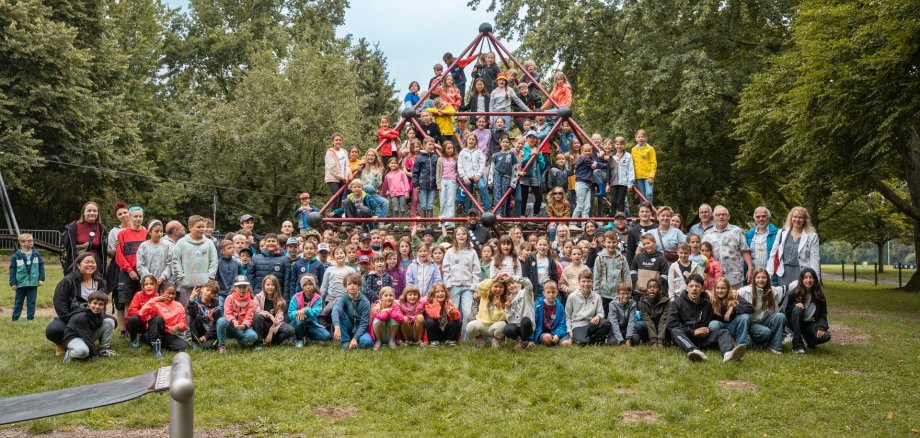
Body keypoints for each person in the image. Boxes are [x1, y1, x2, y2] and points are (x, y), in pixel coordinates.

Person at [45, 252, 115, 356]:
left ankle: (102, 346)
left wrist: (99, 317)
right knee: (54, 330)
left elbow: (103, 302)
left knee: (111, 321)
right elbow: (59, 302)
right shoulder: (67, 281)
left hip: (93, 315)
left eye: (93, 262)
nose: (90, 264)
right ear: (78, 265)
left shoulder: (100, 282)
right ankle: (62, 344)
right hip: (70, 316)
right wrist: (73, 320)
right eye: (87, 262)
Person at [667, 274, 747, 363]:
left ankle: (728, 354)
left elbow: (719, 318)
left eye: (697, 286)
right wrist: (693, 332)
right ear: (686, 288)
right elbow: (671, 324)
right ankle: (694, 351)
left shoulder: (709, 302)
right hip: (687, 337)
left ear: (702, 289)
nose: (694, 289)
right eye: (691, 286)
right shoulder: (677, 303)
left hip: (704, 338)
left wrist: (733, 307)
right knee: (675, 330)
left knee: (723, 332)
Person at [737, 268, 794, 354]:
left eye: (764, 277)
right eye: (758, 277)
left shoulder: (773, 290)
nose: (761, 280)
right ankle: (753, 341)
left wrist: (804, 279)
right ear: (754, 279)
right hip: (752, 325)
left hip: (766, 321)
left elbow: (790, 287)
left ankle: (775, 347)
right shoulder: (744, 291)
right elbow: (730, 294)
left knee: (780, 316)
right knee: (765, 332)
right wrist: (733, 292)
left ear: (768, 279)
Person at [768, 206, 821, 287]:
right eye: (795, 217)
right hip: (783, 273)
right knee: (784, 294)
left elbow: (815, 259)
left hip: (802, 273)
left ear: (805, 220)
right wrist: (769, 272)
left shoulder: (812, 236)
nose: (797, 220)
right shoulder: (781, 233)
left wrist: (816, 279)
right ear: (791, 218)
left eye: (800, 217)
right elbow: (773, 253)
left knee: (800, 294)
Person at [703, 206, 754, 289]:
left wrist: (750, 268)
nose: (721, 217)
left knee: (736, 297)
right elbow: (703, 254)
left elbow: (745, 251)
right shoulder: (707, 234)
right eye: (718, 215)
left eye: (724, 214)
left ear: (728, 217)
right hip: (714, 277)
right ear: (714, 217)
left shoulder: (737, 231)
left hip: (735, 277)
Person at [173, 215, 218, 307]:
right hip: (186, 285)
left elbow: (214, 261)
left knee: (202, 309)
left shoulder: (209, 243)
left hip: (204, 285)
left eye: (203, 227)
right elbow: (176, 261)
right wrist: (181, 276)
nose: (202, 229)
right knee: (186, 308)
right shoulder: (181, 243)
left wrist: (210, 277)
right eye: (198, 227)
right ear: (190, 227)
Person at [114, 206, 147, 335]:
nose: (138, 219)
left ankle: (142, 329)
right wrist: (129, 270)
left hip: (143, 273)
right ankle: (129, 330)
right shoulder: (122, 233)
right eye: (135, 216)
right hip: (127, 272)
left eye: (140, 216)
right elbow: (119, 255)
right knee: (128, 301)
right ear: (130, 217)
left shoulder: (147, 233)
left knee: (143, 300)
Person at [785, 268, 831, 354]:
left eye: (811, 277)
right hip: (797, 323)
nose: (808, 280)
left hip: (811, 324)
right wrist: (795, 305)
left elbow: (823, 314)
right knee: (798, 310)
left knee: (826, 336)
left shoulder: (819, 295)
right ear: (801, 280)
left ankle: (808, 341)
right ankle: (797, 346)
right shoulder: (794, 293)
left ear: (815, 279)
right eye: (805, 277)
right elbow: (787, 313)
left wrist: (821, 327)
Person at [62, 291, 116, 362]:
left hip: (87, 335)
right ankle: (70, 353)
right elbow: (86, 337)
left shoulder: (99, 313)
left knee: (109, 321)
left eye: (101, 304)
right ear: (89, 303)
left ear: (104, 306)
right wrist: (94, 354)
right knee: (83, 352)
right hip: (73, 338)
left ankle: (104, 350)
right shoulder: (81, 317)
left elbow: (91, 333)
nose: (97, 306)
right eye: (94, 303)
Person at [138, 284, 189, 358]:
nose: (171, 296)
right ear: (161, 292)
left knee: (184, 347)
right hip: (154, 332)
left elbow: (183, 323)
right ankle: (156, 349)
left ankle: (159, 344)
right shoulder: (155, 303)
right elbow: (141, 313)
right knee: (158, 319)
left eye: (173, 293)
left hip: (168, 334)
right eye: (169, 293)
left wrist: (178, 326)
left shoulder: (179, 305)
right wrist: (155, 300)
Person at [566, 270, 611, 346]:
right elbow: (567, 316)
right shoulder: (572, 297)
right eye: (583, 281)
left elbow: (601, 313)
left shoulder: (597, 297)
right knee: (582, 343)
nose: (586, 284)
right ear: (579, 282)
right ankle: (586, 339)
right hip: (578, 325)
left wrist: (597, 316)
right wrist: (569, 330)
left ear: (592, 282)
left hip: (591, 323)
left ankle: (594, 340)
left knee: (606, 323)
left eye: (589, 281)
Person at [216, 275, 259, 354]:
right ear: (235, 288)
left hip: (243, 329)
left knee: (253, 336)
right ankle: (222, 346)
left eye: (244, 287)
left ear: (248, 287)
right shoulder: (229, 298)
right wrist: (233, 320)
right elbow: (227, 313)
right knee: (221, 321)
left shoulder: (251, 301)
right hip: (231, 327)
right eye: (239, 287)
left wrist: (244, 325)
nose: (242, 289)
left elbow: (249, 317)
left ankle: (240, 341)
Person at [61, 201, 108, 272]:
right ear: (83, 212)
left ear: (98, 213)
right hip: (77, 267)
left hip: (96, 268)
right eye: (89, 210)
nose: (92, 213)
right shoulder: (72, 228)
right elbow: (63, 251)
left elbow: (103, 253)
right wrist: (67, 269)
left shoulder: (102, 229)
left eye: (95, 211)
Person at [707, 277, 753, 347]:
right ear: (714, 289)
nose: (720, 290)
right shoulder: (711, 298)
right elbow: (700, 292)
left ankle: (742, 345)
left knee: (744, 316)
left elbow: (750, 308)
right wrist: (707, 291)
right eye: (717, 288)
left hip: (733, 326)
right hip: (720, 327)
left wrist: (733, 308)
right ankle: (725, 342)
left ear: (728, 289)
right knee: (713, 324)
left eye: (723, 288)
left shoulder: (734, 296)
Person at [332, 273, 373, 350]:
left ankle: (354, 341)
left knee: (367, 342)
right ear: (345, 287)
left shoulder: (365, 302)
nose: (352, 286)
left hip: (359, 328)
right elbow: (335, 310)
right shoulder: (343, 298)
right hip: (348, 327)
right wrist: (337, 327)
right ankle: (346, 341)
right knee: (339, 312)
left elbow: (364, 323)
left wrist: (355, 338)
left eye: (355, 284)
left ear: (359, 286)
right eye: (349, 284)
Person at [9, 233, 45, 321]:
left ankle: (30, 319)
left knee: (31, 302)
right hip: (20, 283)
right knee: (18, 302)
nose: (32, 242)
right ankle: (14, 319)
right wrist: (13, 283)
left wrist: (41, 278)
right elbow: (12, 270)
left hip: (33, 283)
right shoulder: (16, 256)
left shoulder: (36, 254)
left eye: (32, 240)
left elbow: (41, 266)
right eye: (29, 241)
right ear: (22, 243)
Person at [288, 274, 330, 348]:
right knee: (301, 318)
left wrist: (305, 310)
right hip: (297, 322)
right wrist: (298, 312)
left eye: (310, 284)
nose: (308, 286)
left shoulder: (318, 298)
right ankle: (299, 339)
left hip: (311, 324)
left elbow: (316, 312)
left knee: (326, 335)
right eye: (305, 285)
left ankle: (306, 336)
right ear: (302, 286)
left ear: (314, 285)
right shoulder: (296, 296)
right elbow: (290, 312)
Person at [594, 231, 630, 316]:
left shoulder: (622, 258)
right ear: (604, 242)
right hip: (604, 295)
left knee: (618, 318)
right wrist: (597, 295)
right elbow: (596, 278)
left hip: (619, 295)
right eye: (609, 242)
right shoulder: (600, 258)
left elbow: (627, 277)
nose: (611, 245)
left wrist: (627, 292)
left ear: (617, 242)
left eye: (613, 242)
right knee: (604, 318)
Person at [252, 275, 295, 348]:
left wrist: (271, 332)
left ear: (276, 286)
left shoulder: (280, 300)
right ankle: (258, 343)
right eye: (268, 285)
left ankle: (273, 342)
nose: (270, 287)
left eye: (273, 285)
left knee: (290, 330)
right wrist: (270, 315)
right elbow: (256, 311)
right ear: (264, 286)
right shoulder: (258, 297)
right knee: (257, 317)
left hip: (275, 325)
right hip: (262, 324)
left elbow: (279, 319)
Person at [467, 277, 509, 348]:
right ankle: (479, 340)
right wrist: (493, 280)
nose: (498, 289)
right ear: (491, 287)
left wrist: (499, 308)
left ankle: (496, 340)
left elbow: (501, 318)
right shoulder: (485, 295)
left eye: (501, 287)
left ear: (504, 289)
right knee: (470, 326)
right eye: (495, 286)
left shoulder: (504, 301)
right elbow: (480, 286)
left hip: (494, 326)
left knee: (503, 325)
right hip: (482, 324)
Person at [630, 234, 670, 301]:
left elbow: (665, 275)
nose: (646, 246)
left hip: (654, 294)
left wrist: (654, 287)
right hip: (638, 293)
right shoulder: (638, 257)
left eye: (648, 243)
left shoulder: (661, 258)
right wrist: (634, 285)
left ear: (654, 242)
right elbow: (633, 271)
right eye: (644, 244)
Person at [458, 133, 491, 212]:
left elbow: (482, 164)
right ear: (466, 141)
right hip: (467, 177)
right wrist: (464, 177)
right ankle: (468, 212)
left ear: (476, 142)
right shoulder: (462, 152)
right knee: (468, 194)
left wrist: (479, 174)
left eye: (473, 139)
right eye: (470, 139)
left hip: (477, 176)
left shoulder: (479, 152)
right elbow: (460, 166)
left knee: (482, 187)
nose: (471, 141)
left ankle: (488, 208)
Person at [572, 144, 607, 218]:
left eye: (589, 151)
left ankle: (584, 222)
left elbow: (594, 163)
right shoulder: (584, 159)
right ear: (582, 151)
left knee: (587, 206)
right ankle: (572, 222)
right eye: (585, 151)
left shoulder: (588, 159)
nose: (587, 153)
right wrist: (608, 165)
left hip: (588, 184)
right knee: (580, 205)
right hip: (581, 183)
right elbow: (597, 164)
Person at [531, 281, 570, 346]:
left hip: (556, 331)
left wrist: (557, 334)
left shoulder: (560, 307)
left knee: (566, 343)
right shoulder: (538, 305)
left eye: (553, 292)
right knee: (547, 338)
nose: (551, 294)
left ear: (557, 292)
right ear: (544, 293)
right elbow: (533, 323)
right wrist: (531, 339)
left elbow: (562, 324)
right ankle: (552, 341)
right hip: (543, 333)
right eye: (548, 292)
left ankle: (558, 340)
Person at [125, 275, 159, 348]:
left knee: (157, 319)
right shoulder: (138, 295)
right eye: (146, 284)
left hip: (149, 324)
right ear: (142, 287)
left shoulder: (157, 297)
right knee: (134, 318)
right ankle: (133, 340)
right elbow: (132, 309)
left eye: (151, 284)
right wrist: (143, 314)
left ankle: (146, 339)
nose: (149, 286)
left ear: (156, 286)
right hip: (138, 323)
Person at [136, 220, 172, 288]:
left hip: (163, 283)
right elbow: (140, 265)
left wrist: (162, 277)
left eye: (161, 231)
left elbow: (170, 264)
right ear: (150, 232)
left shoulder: (167, 246)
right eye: (156, 231)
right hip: (147, 283)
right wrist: (149, 277)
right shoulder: (143, 246)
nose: (159, 234)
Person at [503, 276, 536, 349]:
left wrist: (513, 278)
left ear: (518, 283)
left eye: (513, 283)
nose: (511, 286)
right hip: (517, 326)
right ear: (507, 289)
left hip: (528, 325)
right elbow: (510, 321)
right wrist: (509, 308)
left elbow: (528, 283)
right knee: (507, 329)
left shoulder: (525, 292)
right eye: (508, 285)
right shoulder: (509, 301)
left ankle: (524, 340)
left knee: (525, 320)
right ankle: (519, 340)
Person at [187, 281, 222, 349]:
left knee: (206, 347)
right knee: (194, 317)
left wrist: (207, 336)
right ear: (202, 289)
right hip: (200, 330)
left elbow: (216, 325)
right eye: (207, 290)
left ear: (214, 295)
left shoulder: (217, 307)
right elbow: (192, 314)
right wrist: (191, 299)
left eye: (212, 292)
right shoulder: (195, 302)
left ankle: (211, 342)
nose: (209, 293)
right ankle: (195, 342)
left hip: (212, 334)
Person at [745, 206, 780, 274]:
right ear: (754, 219)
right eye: (758, 217)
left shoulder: (778, 233)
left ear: (769, 217)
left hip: (771, 275)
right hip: (754, 275)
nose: (760, 219)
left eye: (763, 216)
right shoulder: (748, 235)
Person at [519, 131, 546, 217]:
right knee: (524, 197)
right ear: (526, 139)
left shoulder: (538, 150)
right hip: (525, 176)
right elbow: (522, 163)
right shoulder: (523, 149)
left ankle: (535, 215)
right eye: (530, 137)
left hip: (535, 176)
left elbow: (542, 166)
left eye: (534, 138)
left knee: (539, 197)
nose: (532, 139)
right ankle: (522, 215)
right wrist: (530, 155)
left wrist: (538, 156)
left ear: (536, 140)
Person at [491, 136, 520, 217]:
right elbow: (492, 168)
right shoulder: (496, 155)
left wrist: (513, 181)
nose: (505, 144)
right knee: (497, 195)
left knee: (504, 196)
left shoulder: (512, 154)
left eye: (507, 142)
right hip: (497, 176)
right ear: (500, 143)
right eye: (503, 142)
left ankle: (503, 215)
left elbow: (515, 168)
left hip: (506, 177)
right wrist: (490, 181)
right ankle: (498, 213)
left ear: (509, 144)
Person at [606, 136, 635, 215]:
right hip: (613, 182)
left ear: (624, 145)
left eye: (621, 144)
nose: (619, 146)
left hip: (623, 183)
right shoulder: (611, 156)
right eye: (617, 144)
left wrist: (630, 183)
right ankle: (612, 220)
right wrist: (607, 184)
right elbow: (608, 171)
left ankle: (621, 219)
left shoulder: (628, 156)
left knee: (621, 201)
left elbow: (631, 170)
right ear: (614, 145)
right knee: (613, 201)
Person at [607, 282, 642, 347]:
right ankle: (619, 340)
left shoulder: (633, 303)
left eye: (627, 293)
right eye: (623, 293)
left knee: (636, 339)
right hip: (616, 329)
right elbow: (614, 323)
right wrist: (621, 341)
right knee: (612, 342)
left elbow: (632, 321)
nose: (626, 296)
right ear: (618, 294)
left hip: (627, 329)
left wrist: (629, 338)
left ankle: (627, 339)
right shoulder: (612, 304)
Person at [412, 137, 439, 218]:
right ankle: (423, 223)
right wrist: (416, 184)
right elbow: (415, 172)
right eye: (429, 144)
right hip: (422, 185)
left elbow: (437, 171)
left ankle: (430, 223)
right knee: (423, 205)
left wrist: (437, 183)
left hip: (433, 185)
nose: (431, 146)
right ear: (424, 145)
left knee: (430, 205)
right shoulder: (419, 158)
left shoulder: (435, 157)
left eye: (433, 145)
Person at [638, 278, 669, 348]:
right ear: (647, 290)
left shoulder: (667, 301)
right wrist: (653, 341)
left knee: (669, 323)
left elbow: (663, 320)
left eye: (655, 287)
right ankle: (647, 340)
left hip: (661, 325)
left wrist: (660, 341)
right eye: (649, 287)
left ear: (660, 290)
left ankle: (666, 340)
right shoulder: (641, 302)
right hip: (649, 326)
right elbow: (647, 320)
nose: (652, 289)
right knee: (640, 325)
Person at [630, 129, 656, 204]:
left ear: (646, 138)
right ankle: (643, 209)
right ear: (636, 138)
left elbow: (653, 163)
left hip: (648, 176)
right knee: (642, 195)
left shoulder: (650, 149)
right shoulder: (633, 149)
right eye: (639, 137)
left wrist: (651, 176)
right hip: (638, 177)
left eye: (642, 137)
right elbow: (632, 164)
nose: (640, 139)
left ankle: (649, 209)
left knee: (649, 193)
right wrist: (632, 178)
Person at [324, 133, 349, 211]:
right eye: (336, 140)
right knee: (336, 197)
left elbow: (347, 165)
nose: (338, 142)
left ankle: (338, 216)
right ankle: (332, 215)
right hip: (333, 178)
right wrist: (342, 177)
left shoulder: (344, 151)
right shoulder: (329, 152)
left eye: (340, 140)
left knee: (340, 198)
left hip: (343, 178)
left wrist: (347, 175)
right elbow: (331, 167)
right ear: (333, 141)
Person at [436, 140, 459, 223]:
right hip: (443, 181)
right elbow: (438, 172)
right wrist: (438, 184)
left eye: (451, 148)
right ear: (444, 149)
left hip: (452, 181)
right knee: (443, 201)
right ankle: (442, 221)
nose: (450, 150)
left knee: (451, 202)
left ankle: (450, 222)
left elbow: (459, 170)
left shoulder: (456, 159)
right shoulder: (440, 159)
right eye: (448, 148)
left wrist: (456, 175)